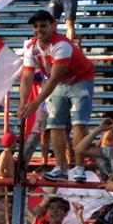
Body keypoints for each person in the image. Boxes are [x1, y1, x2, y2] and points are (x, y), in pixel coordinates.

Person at [17, 9, 97, 182]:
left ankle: (79, 167)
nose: (39, 30)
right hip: (59, 82)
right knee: (54, 124)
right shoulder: (31, 48)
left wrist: (35, 103)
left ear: (53, 25)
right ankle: (60, 167)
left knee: (78, 124)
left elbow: (54, 78)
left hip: (80, 79)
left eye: (43, 26)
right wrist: (23, 103)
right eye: (36, 27)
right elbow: (26, 76)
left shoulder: (62, 44)